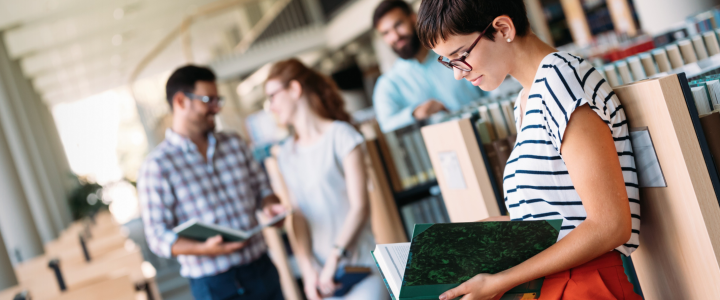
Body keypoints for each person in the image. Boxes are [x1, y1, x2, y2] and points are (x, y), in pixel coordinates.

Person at [416, 0, 641, 299]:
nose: (458, 73)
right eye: (448, 62)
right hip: (557, 284)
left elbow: (610, 225)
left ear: (503, 28)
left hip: (583, 285)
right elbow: (563, 215)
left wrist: (502, 281)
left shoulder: (560, 80)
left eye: (460, 56)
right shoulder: (526, 99)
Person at [138, 65, 288, 300]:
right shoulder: (157, 166)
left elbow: (263, 191)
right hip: (214, 286)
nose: (216, 108)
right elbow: (157, 236)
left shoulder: (235, 143)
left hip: (261, 270)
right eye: (208, 100)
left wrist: (271, 206)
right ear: (180, 101)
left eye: (218, 99)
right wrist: (202, 249)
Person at [263, 58, 387, 300]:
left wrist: (334, 258)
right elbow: (297, 217)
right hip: (322, 280)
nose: (271, 106)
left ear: (295, 89)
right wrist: (309, 272)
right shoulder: (286, 152)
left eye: (273, 96)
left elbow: (360, 207)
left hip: (358, 269)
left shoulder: (342, 135)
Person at [371, 0, 487, 132]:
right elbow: (386, 125)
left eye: (398, 24)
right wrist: (415, 113)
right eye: (386, 33)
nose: (395, 36)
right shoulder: (388, 84)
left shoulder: (456, 54)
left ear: (413, 18)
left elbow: (493, 91)